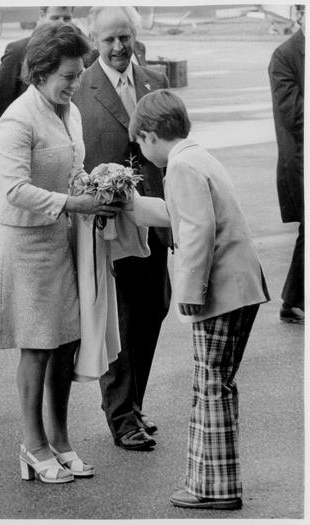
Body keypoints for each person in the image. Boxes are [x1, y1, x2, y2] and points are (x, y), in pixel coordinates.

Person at [0, 22, 123, 484]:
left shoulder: (69, 110)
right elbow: (15, 189)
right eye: (67, 76)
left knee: (65, 343)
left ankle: (60, 441)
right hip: (24, 243)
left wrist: (96, 184)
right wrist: (74, 202)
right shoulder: (17, 120)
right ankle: (32, 444)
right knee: (38, 346)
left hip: (60, 238)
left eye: (78, 74)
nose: (75, 84)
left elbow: (73, 168)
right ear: (40, 72)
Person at [128, 89, 270, 509]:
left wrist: (189, 293)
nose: (140, 148)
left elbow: (196, 233)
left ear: (152, 135)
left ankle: (214, 488)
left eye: (139, 141)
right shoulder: (199, 157)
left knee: (211, 386)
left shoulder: (182, 166)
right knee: (216, 384)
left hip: (220, 293)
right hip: (242, 286)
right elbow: (182, 215)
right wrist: (130, 204)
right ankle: (212, 482)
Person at [73, 6, 172, 451]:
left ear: (135, 36)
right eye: (109, 40)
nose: (117, 48)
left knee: (155, 309)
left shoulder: (155, 81)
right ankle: (121, 416)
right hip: (109, 226)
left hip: (154, 220)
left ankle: (133, 403)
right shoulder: (81, 89)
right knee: (123, 319)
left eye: (124, 38)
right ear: (95, 40)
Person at [268, 4, 305, 324]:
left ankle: (293, 300)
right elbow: (293, 114)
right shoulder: (285, 55)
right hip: (301, 160)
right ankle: (291, 300)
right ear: (300, 16)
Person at [0, 6, 74, 120]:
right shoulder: (18, 51)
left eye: (67, 18)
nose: (61, 23)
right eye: (55, 18)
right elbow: (2, 99)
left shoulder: (79, 52)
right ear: (42, 16)